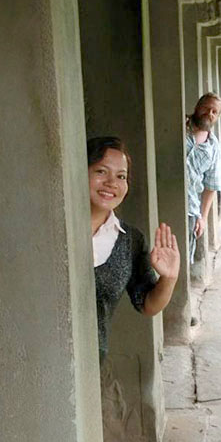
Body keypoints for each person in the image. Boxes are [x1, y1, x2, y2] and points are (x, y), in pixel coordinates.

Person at [88, 136, 180, 360]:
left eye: (121, 176)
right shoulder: (53, 227)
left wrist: (169, 278)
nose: (112, 183)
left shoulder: (130, 241)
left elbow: (147, 304)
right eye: (101, 171)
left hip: (94, 367)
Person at [186, 92, 221, 262]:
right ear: (197, 108)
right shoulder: (178, 127)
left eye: (214, 112)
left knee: (184, 255)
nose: (209, 114)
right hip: (163, 200)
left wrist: (202, 217)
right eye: (206, 108)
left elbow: (211, 185)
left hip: (190, 208)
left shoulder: (213, 147)